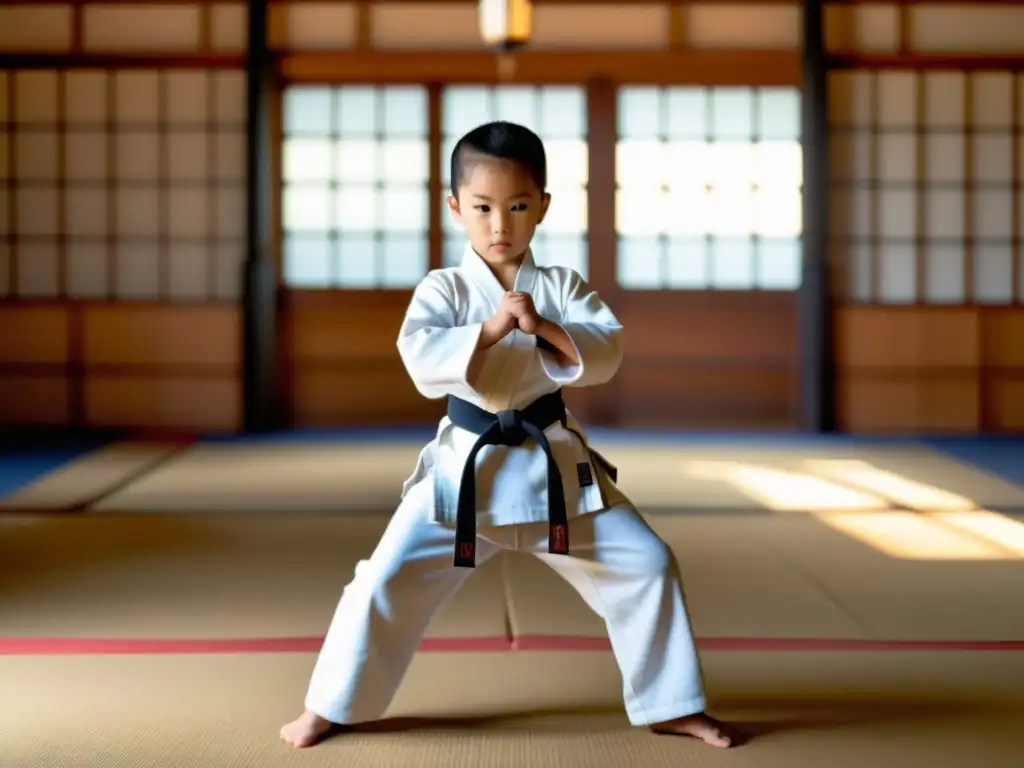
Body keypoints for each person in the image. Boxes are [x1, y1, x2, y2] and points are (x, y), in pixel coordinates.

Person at [280, 120, 735, 750]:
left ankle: (671, 703)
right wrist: (489, 332)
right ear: (455, 208)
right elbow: (418, 357)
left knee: (648, 563)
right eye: (484, 208)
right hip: (463, 475)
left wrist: (545, 326)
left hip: (555, 471)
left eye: (518, 207)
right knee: (381, 579)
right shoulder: (443, 288)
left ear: (543, 206)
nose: (501, 225)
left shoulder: (561, 287)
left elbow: (605, 350)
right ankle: (332, 705)